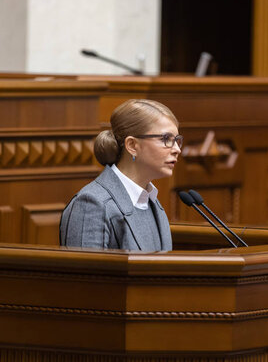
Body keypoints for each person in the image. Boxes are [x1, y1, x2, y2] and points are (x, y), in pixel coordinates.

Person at [60, 99, 182, 251]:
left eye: (177, 140)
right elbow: (85, 273)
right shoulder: (92, 204)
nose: (177, 149)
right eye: (166, 139)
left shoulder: (152, 202)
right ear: (132, 145)